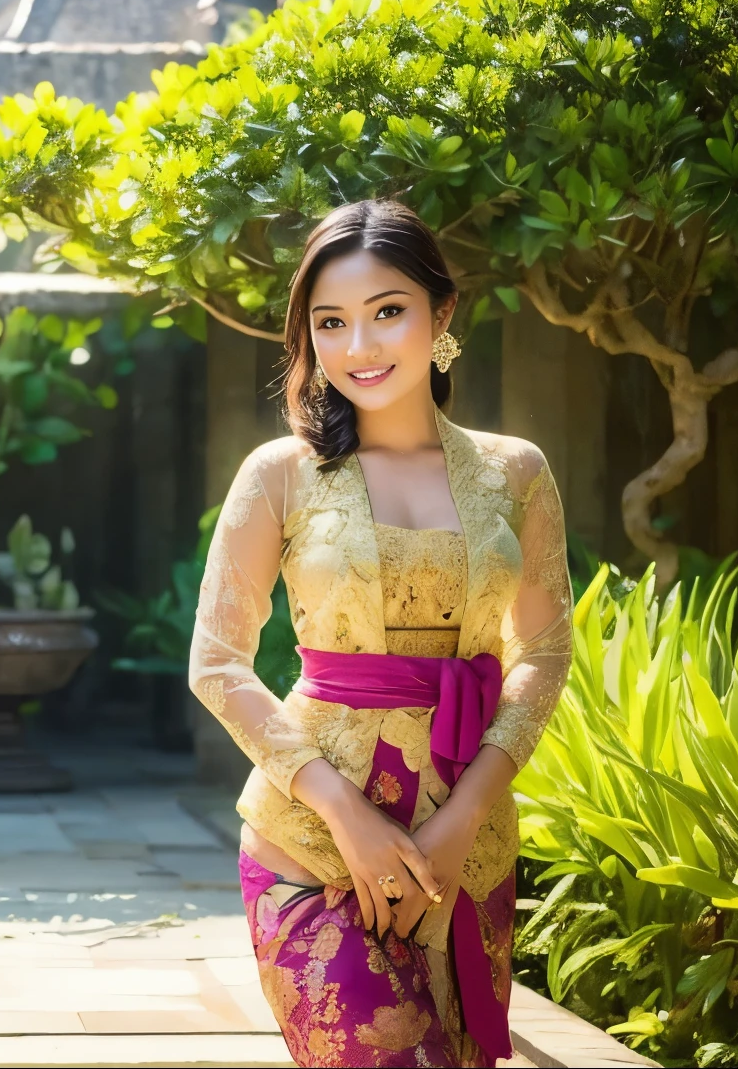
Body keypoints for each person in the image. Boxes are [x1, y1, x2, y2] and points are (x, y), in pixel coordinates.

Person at [190, 198, 572, 1067]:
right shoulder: (281, 474)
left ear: (441, 316)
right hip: (312, 842)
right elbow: (216, 662)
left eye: (386, 312)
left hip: (467, 849)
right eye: (332, 322)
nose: (359, 347)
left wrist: (464, 817)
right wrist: (347, 816)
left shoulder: (515, 472)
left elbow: (542, 652)